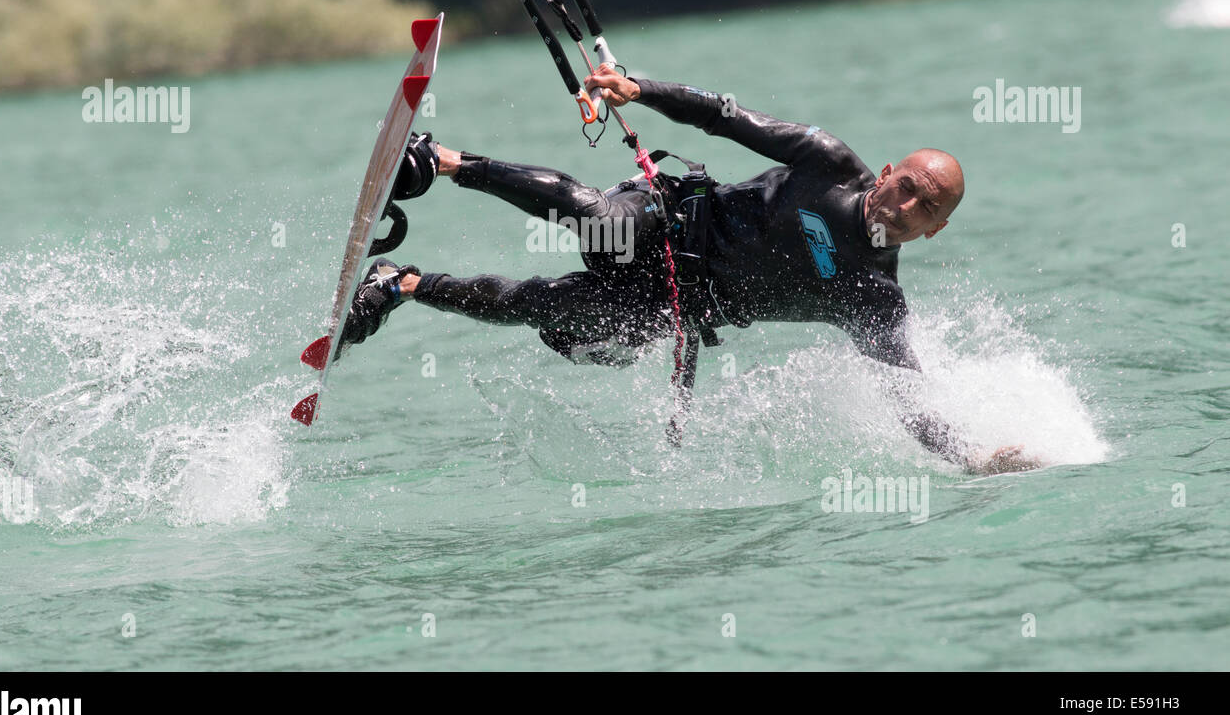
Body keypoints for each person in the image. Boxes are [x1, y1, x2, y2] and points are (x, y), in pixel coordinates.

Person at [346, 68, 1036, 474]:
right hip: (670, 218)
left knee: (542, 306)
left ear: (935, 229)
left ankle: (398, 284)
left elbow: (908, 397)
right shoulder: (826, 161)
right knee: (602, 223)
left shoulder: (875, 300)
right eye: (907, 184)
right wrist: (638, 88)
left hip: (680, 302)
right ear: (887, 174)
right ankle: (441, 160)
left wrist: (973, 459)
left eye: (926, 206)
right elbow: (724, 118)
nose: (908, 203)